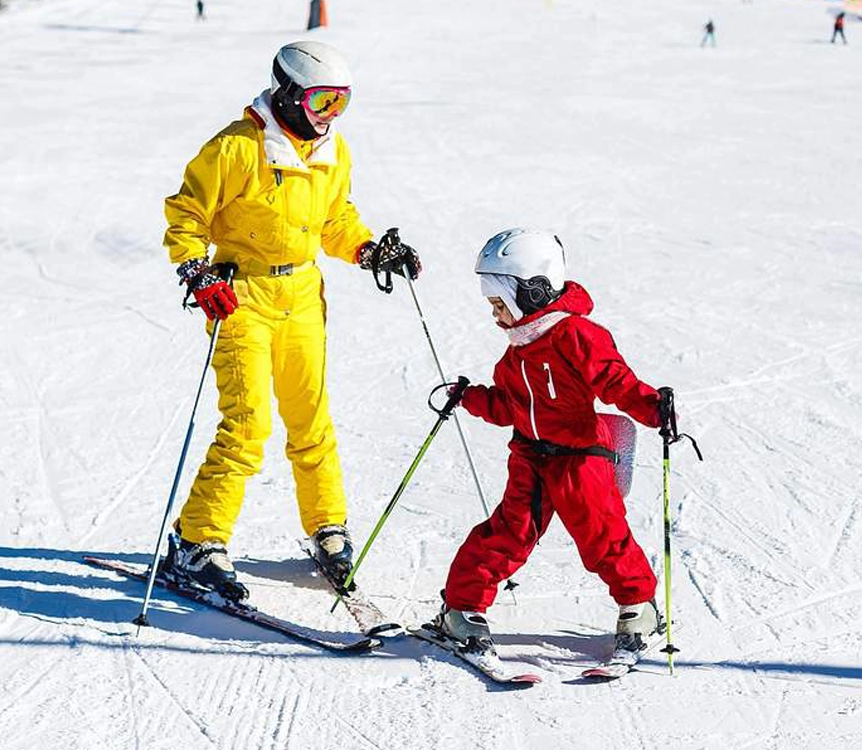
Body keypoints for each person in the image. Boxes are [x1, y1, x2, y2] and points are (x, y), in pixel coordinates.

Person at [161, 41, 421, 599]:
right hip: (242, 295)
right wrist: (195, 272)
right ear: (288, 93)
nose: (329, 117)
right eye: (322, 102)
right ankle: (195, 542)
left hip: (302, 293)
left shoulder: (332, 152)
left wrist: (370, 250)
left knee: (311, 417)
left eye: (341, 105)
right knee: (248, 424)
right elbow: (185, 214)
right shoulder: (236, 148)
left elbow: (336, 219)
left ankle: (327, 526)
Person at [431, 228, 670, 665]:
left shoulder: (578, 336)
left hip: (581, 456)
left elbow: (616, 382)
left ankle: (640, 609)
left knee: (603, 534)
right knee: (506, 534)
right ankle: (461, 609)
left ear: (532, 293)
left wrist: (654, 408)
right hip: (530, 457)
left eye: (500, 305)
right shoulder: (515, 353)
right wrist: (469, 398)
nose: (496, 317)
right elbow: (508, 405)